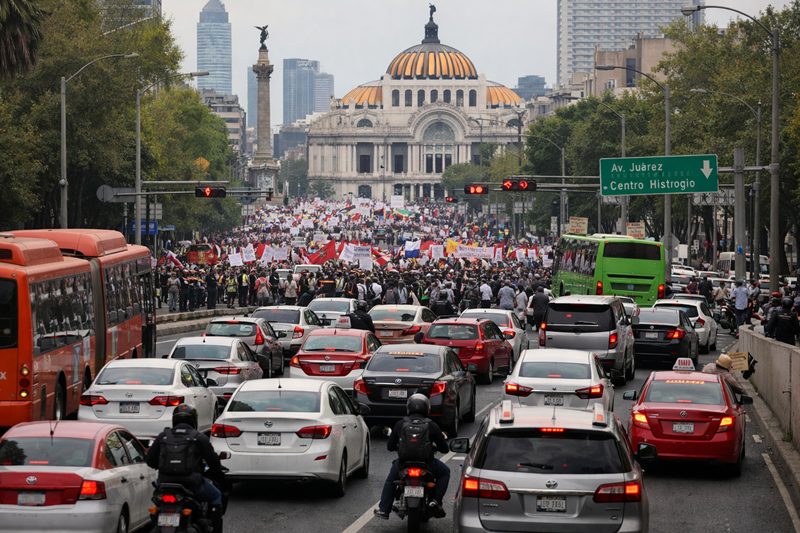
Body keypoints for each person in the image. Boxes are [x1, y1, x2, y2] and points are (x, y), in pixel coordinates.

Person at [145, 405, 225, 530]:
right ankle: (212, 527)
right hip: (192, 485)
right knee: (216, 495)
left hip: (164, 484)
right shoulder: (199, 438)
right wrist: (216, 470)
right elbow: (214, 464)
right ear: (194, 421)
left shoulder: (163, 436)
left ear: (174, 420)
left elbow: (150, 461)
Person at [374, 394, 450, 521]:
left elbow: (389, 446)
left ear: (408, 408)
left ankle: (384, 509)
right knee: (445, 472)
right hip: (428, 464)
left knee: (391, 480)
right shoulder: (432, 425)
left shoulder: (400, 424)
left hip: (403, 463)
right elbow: (445, 449)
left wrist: (398, 446)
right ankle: (436, 502)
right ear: (427, 409)